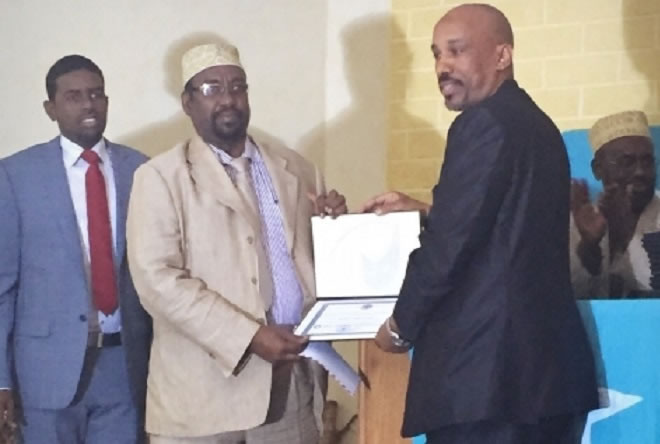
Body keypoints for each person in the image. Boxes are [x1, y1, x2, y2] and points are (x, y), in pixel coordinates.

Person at [363, 4, 598, 443]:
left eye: (457, 51)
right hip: (545, 384)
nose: (442, 67)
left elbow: (448, 248)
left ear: (502, 55)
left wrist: (399, 327)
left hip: (488, 384)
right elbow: (509, 225)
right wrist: (429, 210)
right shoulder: (539, 126)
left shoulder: (482, 123)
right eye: (436, 54)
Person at [126, 42, 347, 444]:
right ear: (187, 103)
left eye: (237, 87)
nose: (227, 99)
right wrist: (250, 336)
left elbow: (319, 266)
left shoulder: (297, 168)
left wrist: (335, 228)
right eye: (211, 89)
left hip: (289, 391)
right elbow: (156, 281)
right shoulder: (160, 177)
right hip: (202, 400)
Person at [0, 55, 151, 444]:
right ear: (50, 108)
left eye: (96, 94)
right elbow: (3, 288)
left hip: (124, 366)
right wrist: (1, 380)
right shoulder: (15, 176)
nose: (88, 105)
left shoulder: (142, 170)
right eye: (74, 96)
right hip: (43, 373)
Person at [571, 110, 659, 299]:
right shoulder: (580, 223)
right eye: (627, 162)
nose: (640, 172)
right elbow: (576, 295)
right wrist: (591, 245)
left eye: (647, 162)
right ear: (598, 169)